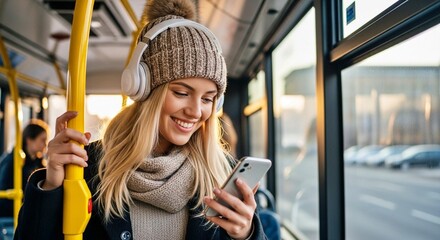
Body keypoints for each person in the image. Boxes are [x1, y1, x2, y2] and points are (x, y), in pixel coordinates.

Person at [14, 0, 267, 239]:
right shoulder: (87, 166)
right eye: (181, 92)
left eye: (208, 99)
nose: (195, 111)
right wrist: (51, 186)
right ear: (144, 88)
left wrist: (246, 234)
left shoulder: (221, 174)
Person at [0, 119, 48, 217]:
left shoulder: (38, 162)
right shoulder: (12, 161)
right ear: (29, 140)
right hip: (9, 217)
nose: (45, 144)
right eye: (43, 140)